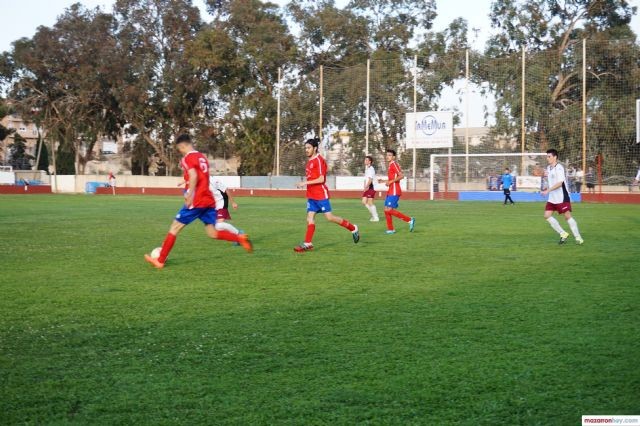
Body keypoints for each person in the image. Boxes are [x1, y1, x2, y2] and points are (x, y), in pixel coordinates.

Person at [144, 134, 252, 268]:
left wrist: (189, 194)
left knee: (174, 228)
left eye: (180, 149)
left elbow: (194, 175)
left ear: (183, 146)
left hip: (197, 200)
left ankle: (160, 261)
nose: (181, 152)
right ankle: (239, 238)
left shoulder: (187, 158)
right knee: (212, 233)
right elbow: (200, 176)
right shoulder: (202, 157)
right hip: (208, 200)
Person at [293, 138, 360, 252]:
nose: (306, 150)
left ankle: (353, 228)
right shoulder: (310, 161)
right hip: (311, 195)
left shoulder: (319, 160)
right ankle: (308, 243)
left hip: (320, 194)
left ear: (315, 148)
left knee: (329, 217)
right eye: (305, 148)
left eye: (308, 148)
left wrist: (304, 182)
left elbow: (321, 179)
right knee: (310, 217)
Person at [540, 149, 583, 245]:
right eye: (547, 156)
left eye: (549, 156)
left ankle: (578, 237)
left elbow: (559, 183)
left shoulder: (559, 168)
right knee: (547, 215)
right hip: (552, 198)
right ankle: (563, 233)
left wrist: (547, 190)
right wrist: (546, 188)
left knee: (567, 217)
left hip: (562, 197)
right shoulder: (548, 168)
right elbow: (551, 182)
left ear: (555, 157)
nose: (547, 158)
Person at [378, 149, 415, 234]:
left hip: (394, 191)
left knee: (389, 209)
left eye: (390, 155)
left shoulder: (394, 164)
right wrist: (383, 181)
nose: (387, 156)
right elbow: (392, 179)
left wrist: (390, 182)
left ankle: (410, 220)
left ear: (393, 157)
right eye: (387, 155)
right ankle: (390, 229)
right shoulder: (390, 165)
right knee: (386, 209)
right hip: (390, 191)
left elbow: (401, 176)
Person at [362, 155, 379, 222]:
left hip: (370, 187)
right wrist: (364, 186)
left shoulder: (371, 169)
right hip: (367, 188)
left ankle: (376, 217)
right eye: (365, 160)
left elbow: (370, 179)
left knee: (370, 202)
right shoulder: (367, 168)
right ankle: (374, 215)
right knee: (364, 202)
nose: (365, 161)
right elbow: (366, 179)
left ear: (370, 161)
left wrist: (366, 187)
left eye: (366, 160)